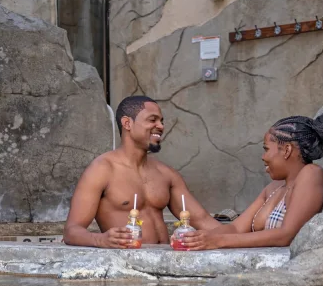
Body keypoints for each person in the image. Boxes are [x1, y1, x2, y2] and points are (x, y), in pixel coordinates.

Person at [63, 96, 220, 248]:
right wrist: (101, 240)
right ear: (127, 123)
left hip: (166, 263)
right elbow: (72, 231)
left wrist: (242, 235)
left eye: (161, 121)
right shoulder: (102, 170)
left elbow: (203, 221)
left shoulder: (166, 174)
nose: (160, 126)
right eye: (152, 120)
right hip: (127, 267)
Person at [179, 113, 323, 250]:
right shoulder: (274, 188)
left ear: (286, 150)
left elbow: (286, 235)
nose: (263, 157)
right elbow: (236, 228)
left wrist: (218, 241)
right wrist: (195, 238)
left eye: (266, 149)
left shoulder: (312, 174)